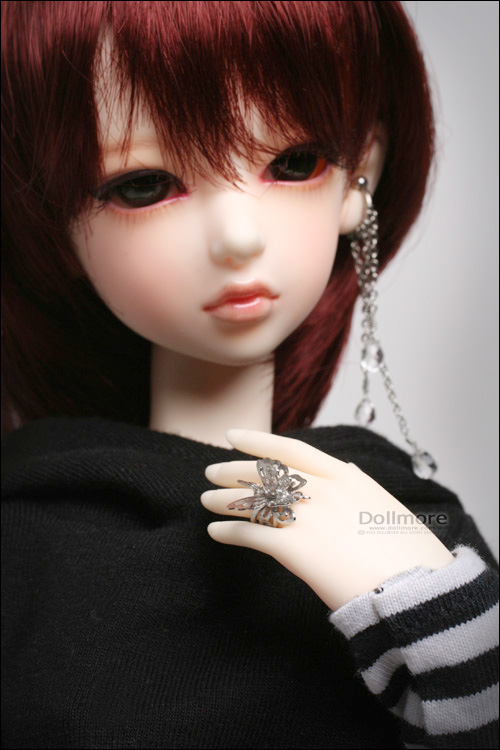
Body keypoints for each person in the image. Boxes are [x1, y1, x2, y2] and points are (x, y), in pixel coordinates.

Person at [1, 2, 498, 748]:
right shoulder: (29, 539)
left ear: (360, 176)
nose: (237, 238)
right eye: (143, 185)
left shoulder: (399, 518)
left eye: (294, 164)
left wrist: (429, 601)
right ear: (51, 223)